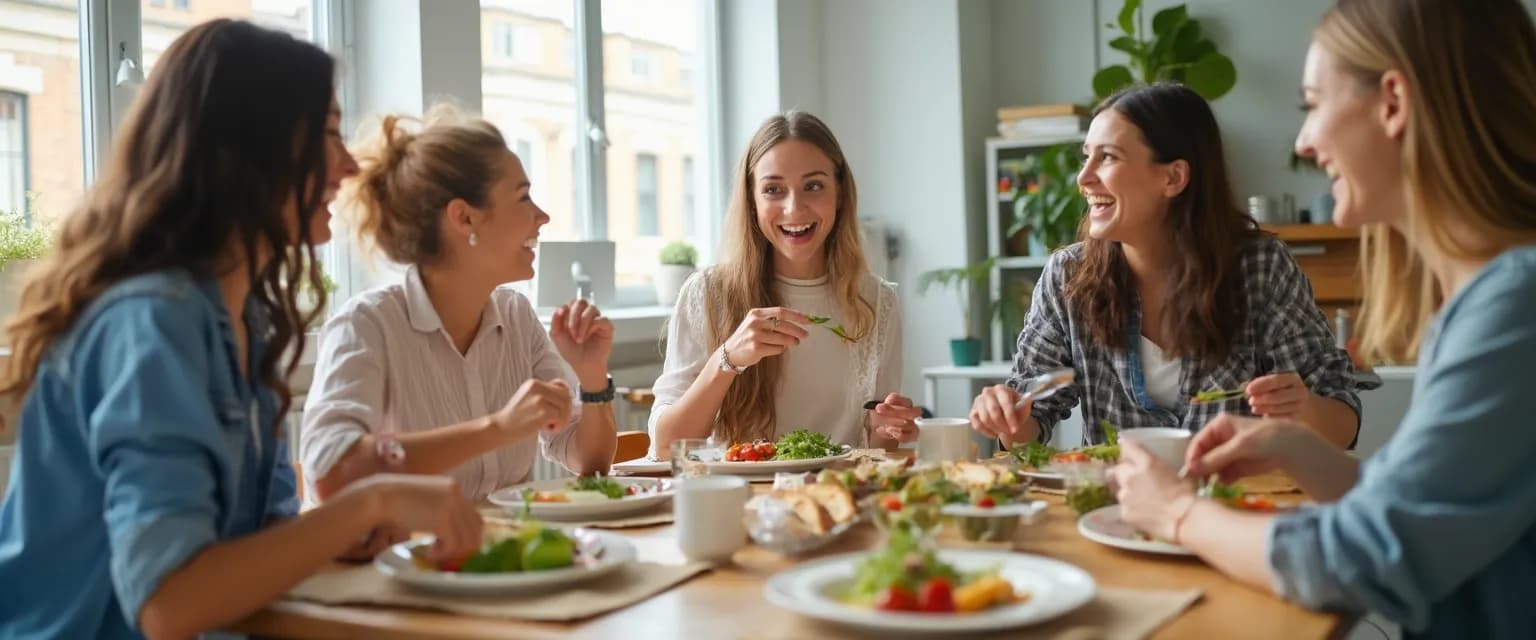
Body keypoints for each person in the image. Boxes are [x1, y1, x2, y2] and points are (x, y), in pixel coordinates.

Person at [0, 20, 483, 639]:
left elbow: (250, 544)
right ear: (249, 148)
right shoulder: (153, 324)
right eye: (329, 134)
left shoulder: (245, 318)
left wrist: (335, 539)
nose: (349, 163)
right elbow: (171, 602)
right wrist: (372, 501)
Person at [1110, 1, 1536, 637]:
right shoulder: (1491, 298)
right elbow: (1432, 507)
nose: (1305, 141)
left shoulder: (1514, 306)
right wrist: (1299, 451)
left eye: (1312, 103)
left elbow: (1364, 554)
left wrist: (1177, 513)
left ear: (1393, 102)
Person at [969, 83, 1362, 450]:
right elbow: (1030, 421)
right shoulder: (1067, 276)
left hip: (1236, 507)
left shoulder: (1259, 268)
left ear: (1173, 177)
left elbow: (1341, 421)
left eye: (1108, 157)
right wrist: (1009, 419)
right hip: (1115, 510)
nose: (1084, 178)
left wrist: (1305, 408)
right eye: (1086, 156)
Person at [300, 107, 618, 513]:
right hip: (402, 565)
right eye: (523, 197)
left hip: (504, 560)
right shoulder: (366, 326)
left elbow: (590, 463)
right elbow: (329, 471)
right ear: (464, 217)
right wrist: (497, 429)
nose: (543, 216)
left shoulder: (516, 316)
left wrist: (592, 380)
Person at [649, 111, 920, 455]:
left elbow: (877, 450)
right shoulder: (707, 294)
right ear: (752, 200)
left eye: (813, 186)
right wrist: (728, 359)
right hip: (735, 501)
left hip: (834, 500)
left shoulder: (877, 301)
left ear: (840, 193)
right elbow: (665, 447)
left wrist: (889, 428)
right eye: (774, 190)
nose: (794, 208)